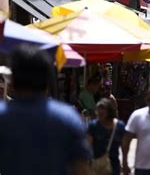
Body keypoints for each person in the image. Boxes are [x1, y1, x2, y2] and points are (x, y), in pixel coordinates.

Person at [0, 45, 92, 175]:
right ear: (47, 82)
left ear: (13, 81)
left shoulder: (3, 117)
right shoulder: (68, 118)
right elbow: (81, 169)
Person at [88, 98, 125, 175]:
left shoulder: (119, 126)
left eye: (102, 112)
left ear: (110, 112)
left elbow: (124, 147)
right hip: (97, 166)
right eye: (98, 112)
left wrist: (125, 162)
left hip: (114, 166)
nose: (99, 114)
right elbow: (88, 145)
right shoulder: (93, 126)